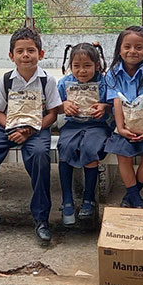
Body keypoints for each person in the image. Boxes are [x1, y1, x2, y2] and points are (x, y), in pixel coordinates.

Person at [0, 27, 62, 244]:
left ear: (41, 54)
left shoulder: (48, 81)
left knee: (39, 156)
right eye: (20, 51)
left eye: (31, 50)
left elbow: (53, 113)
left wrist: (30, 130)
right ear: (11, 56)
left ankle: (41, 218)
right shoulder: (7, 79)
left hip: (37, 128)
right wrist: (12, 127)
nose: (25, 55)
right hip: (6, 126)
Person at [103, 26, 143, 209]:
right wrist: (121, 129)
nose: (132, 51)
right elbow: (116, 103)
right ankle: (136, 198)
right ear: (119, 49)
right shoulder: (112, 74)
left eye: (139, 47)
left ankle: (131, 195)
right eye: (127, 46)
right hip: (122, 124)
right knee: (123, 154)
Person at [56, 42, 111, 226]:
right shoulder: (64, 84)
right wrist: (63, 106)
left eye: (87, 65)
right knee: (64, 148)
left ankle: (89, 199)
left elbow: (113, 104)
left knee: (90, 149)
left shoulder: (104, 83)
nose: (82, 71)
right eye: (76, 66)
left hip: (97, 127)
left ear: (97, 65)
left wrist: (104, 107)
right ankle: (67, 200)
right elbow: (53, 106)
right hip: (72, 126)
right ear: (70, 66)